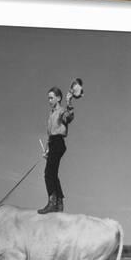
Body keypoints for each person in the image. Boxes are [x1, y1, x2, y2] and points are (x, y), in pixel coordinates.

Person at [38, 79, 83, 214]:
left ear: (58, 98)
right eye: (48, 98)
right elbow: (50, 134)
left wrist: (69, 102)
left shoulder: (61, 111)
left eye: (51, 98)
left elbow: (69, 118)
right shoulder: (51, 114)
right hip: (53, 143)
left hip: (58, 143)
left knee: (48, 174)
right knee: (52, 173)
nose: (49, 100)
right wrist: (47, 149)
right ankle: (59, 203)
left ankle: (53, 203)